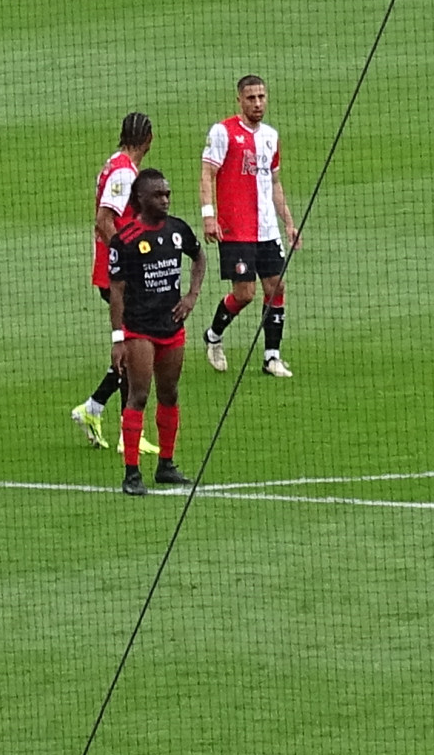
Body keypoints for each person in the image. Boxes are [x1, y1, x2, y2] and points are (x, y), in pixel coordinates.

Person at [103, 167, 205, 496]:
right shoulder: (125, 240)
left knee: (170, 393)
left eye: (168, 194)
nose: (165, 200)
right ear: (141, 199)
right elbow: (116, 291)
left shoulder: (178, 230)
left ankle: (166, 464)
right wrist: (118, 338)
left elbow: (199, 256)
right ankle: (131, 473)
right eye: (158, 195)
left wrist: (191, 296)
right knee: (139, 395)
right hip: (139, 330)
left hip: (171, 328)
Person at [200, 74, 294, 379]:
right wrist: (208, 216)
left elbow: (275, 183)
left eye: (261, 97)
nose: (257, 103)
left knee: (276, 286)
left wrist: (288, 223)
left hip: (267, 230)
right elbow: (207, 174)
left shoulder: (271, 135)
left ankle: (272, 357)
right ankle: (213, 335)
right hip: (236, 229)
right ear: (239, 99)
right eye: (251, 98)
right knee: (245, 293)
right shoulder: (223, 132)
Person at [71, 112, 154, 449]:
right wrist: (128, 258)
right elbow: (104, 220)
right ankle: (127, 433)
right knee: (140, 347)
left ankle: (94, 408)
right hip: (116, 275)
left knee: (137, 346)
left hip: (113, 272)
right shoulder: (123, 172)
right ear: (148, 139)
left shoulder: (115, 164)